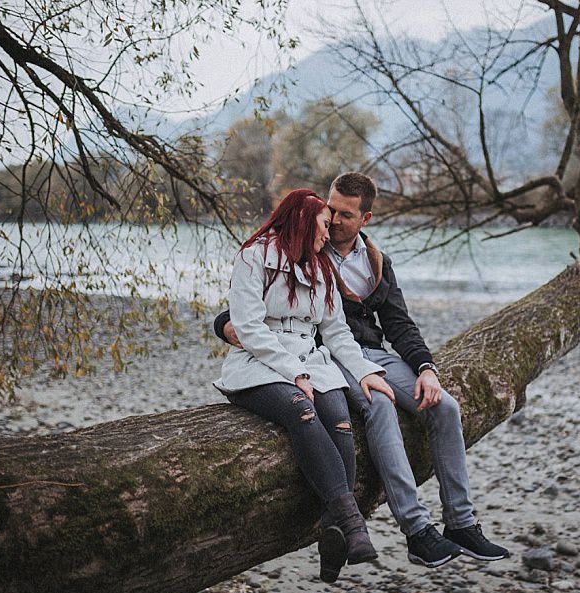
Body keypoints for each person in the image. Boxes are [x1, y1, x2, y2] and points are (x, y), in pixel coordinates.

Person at [215, 173, 509, 568]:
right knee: (379, 406)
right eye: (330, 211)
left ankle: (461, 522)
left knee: (445, 407)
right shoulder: (304, 249)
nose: (334, 221)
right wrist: (223, 324)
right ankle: (416, 530)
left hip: (365, 353)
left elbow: (398, 322)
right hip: (320, 356)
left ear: (365, 219)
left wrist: (426, 367)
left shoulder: (375, 262)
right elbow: (256, 308)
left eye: (344, 215)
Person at [214, 188, 396, 584]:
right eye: (323, 226)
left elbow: (336, 332)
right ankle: (353, 522)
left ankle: (332, 531)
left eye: (331, 227)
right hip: (259, 362)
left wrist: (364, 371)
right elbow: (246, 326)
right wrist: (292, 371)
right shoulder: (253, 257)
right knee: (303, 409)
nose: (327, 235)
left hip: (311, 361)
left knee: (341, 420)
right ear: (301, 220)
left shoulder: (321, 268)